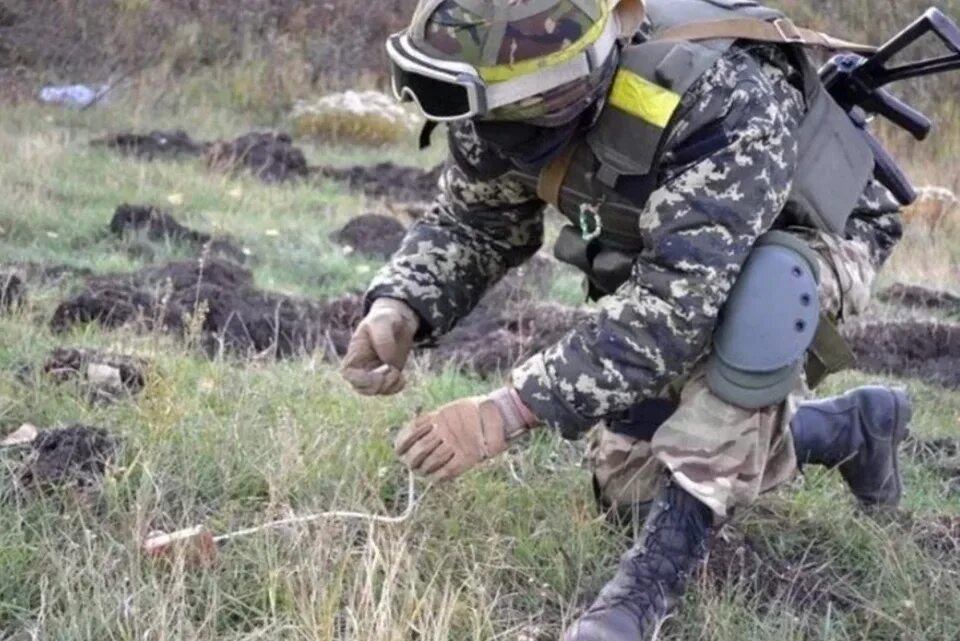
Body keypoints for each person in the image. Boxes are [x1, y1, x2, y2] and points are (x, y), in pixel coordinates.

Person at [340, 0, 913, 637]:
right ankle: (852, 428)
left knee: (762, 301)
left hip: (821, 232)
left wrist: (506, 411)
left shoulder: (722, 97)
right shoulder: (499, 107)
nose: (466, 122)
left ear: (550, 92)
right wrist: (401, 306)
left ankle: (637, 600)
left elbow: (672, 313)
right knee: (632, 488)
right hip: (681, 250)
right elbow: (476, 220)